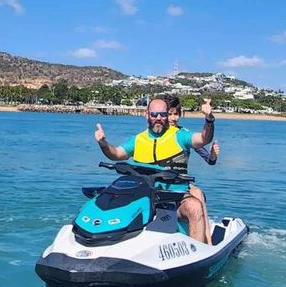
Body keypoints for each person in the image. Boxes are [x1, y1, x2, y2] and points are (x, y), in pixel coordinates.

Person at [94, 96, 215, 244]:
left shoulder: (180, 135)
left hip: (174, 199)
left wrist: (209, 119)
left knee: (194, 206)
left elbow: (204, 138)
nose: (159, 118)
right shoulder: (138, 140)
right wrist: (103, 144)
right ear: (147, 115)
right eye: (154, 114)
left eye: (163, 114)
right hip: (143, 197)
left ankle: (198, 255)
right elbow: (116, 154)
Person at [164, 95, 220, 233]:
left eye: (176, 114)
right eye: (169, 114)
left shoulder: (185, 135)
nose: (173, 118)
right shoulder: (154, 135)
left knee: (198, 194)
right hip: (160, 183)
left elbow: (210, 161)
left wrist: (213, 155)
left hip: (180, 184)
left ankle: (207, 243)